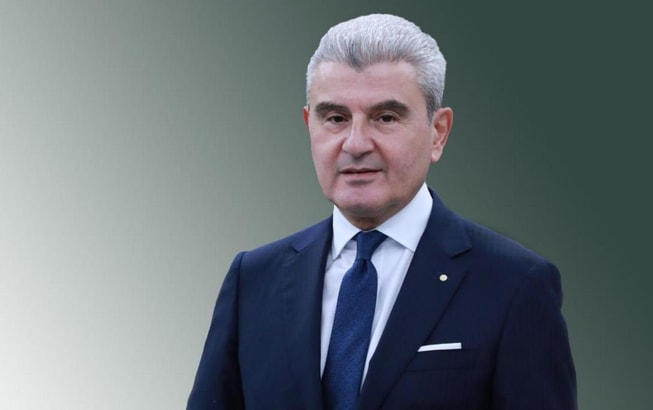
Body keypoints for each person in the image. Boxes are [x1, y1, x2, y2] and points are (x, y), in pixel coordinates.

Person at [188, 13, 576, 409]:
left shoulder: (514, 285)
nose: (355, 143)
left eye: (385, 118)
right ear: (309, 126)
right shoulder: (255, 280)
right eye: (335, 118)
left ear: (438, 132)